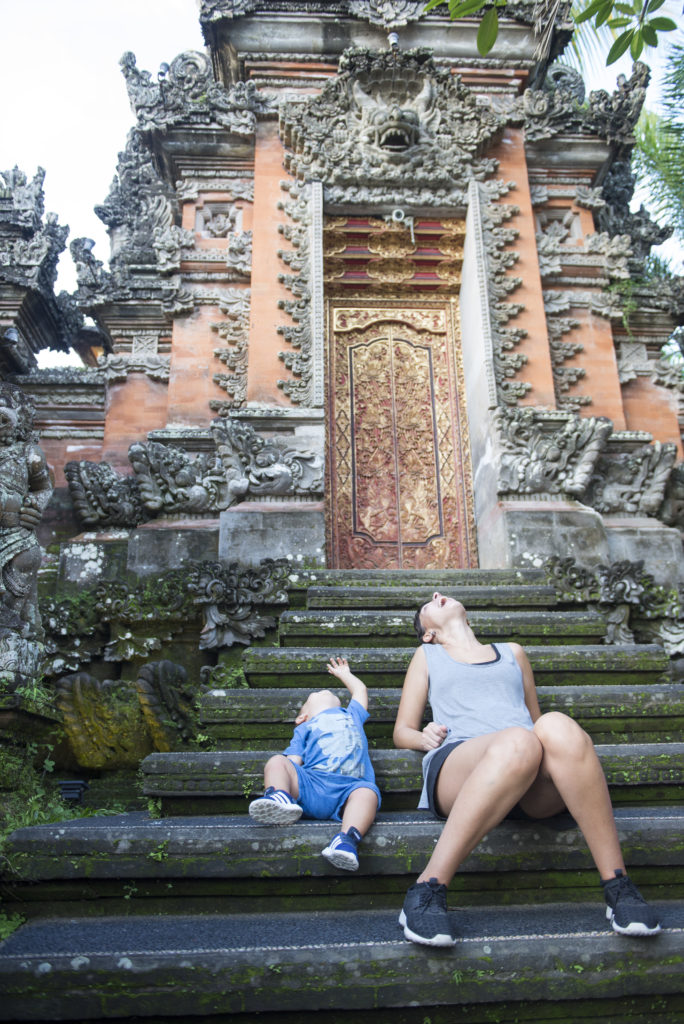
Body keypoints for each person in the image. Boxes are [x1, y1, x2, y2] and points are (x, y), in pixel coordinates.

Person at [393, 591, 662, 947]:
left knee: (556, 725)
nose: (438, 595)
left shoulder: (512, 653)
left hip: (526, 769)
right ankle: (428, 887)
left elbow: (537, 723)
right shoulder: (427, 655)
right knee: (519, 740)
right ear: (429, 633)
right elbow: (401, 732)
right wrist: (422, 736)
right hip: (461, 765)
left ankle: (618, 885)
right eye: (427, 604)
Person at [248, 655, 380, 871]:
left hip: (349, 790)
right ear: (302, 717)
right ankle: (280, 797)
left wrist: (345, 675)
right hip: (312, 785)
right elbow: (293, 763)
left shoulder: (352, 715)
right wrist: (287, 775)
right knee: (277, 762)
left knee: (368, 793)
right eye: (314, 696)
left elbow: (360, 691)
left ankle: (346, 840)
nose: (323, 692)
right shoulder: (304, 728)